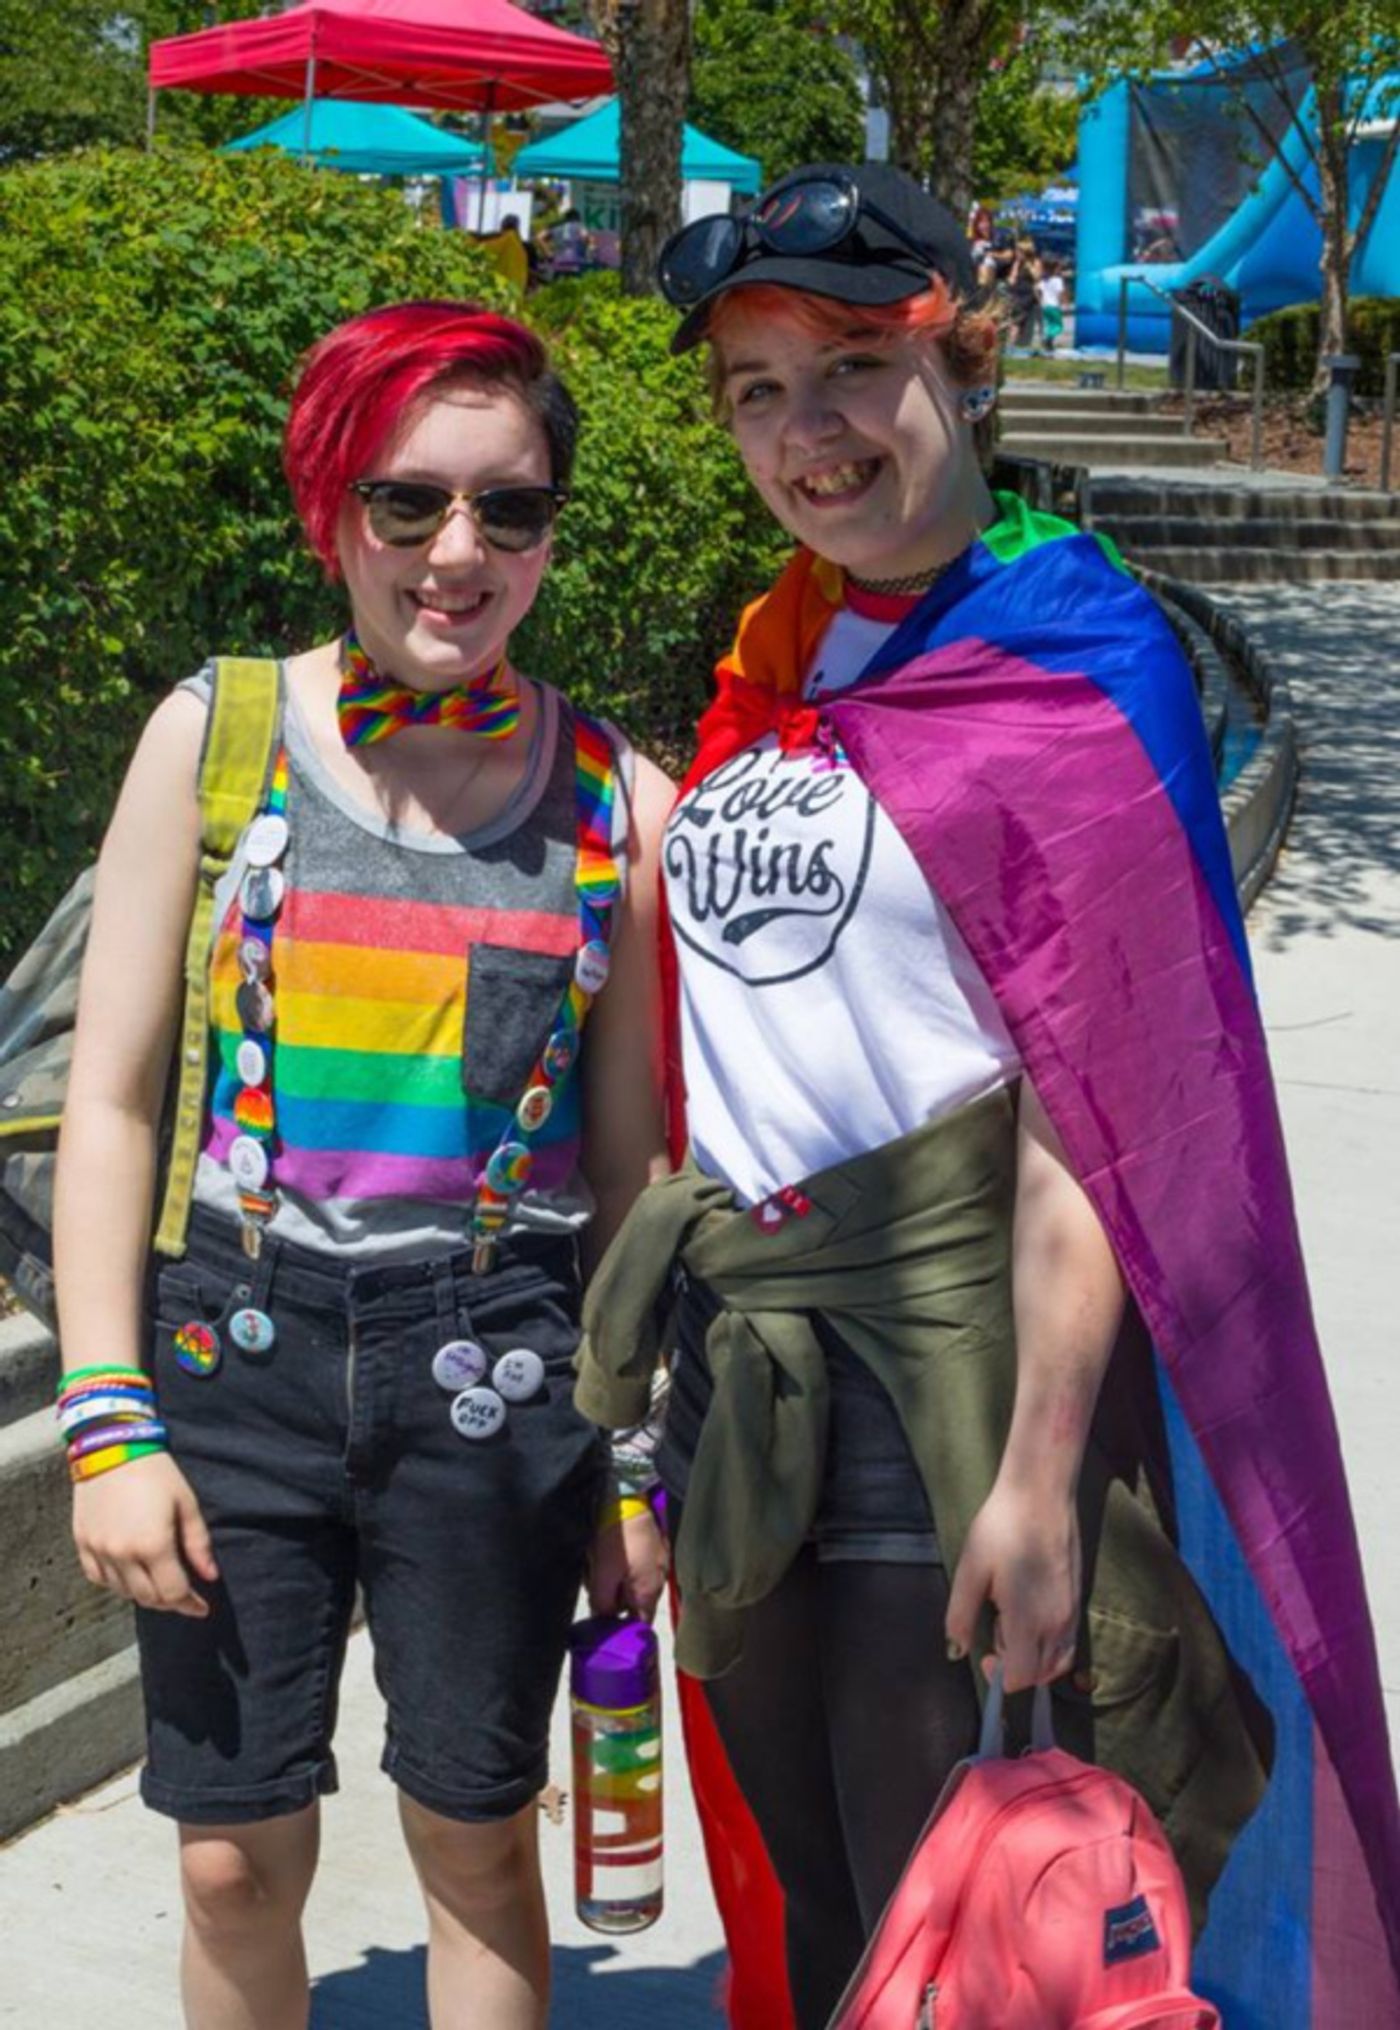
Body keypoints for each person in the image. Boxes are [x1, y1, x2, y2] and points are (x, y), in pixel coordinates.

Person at [575, 163, 1400, 2029]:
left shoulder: (1078, 653)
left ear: (967, 356)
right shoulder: (775, 657)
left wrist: (1037, 1468)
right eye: (758, 390)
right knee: (819, 1911)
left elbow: (1110, 1105)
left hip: (944, 1389)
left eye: (855, 363)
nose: (810, 431)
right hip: (743, 1379)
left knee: (965, 1940)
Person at [55, 299, 672, 2030]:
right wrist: (107, 1424)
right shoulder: (219, 735)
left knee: (475, 1835)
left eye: (509, 508)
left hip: (501, 1373)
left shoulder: (616, 802)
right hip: (230, 1361)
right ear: (333, 509)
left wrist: (633, 1460)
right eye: (408, 503)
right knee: (231, 1852)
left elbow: (628, 1177)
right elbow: (109, 1102)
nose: (456, 552)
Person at [1037, 255, 1066, 352]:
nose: (1060, 270)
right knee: (1059, 326)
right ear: (1055, 269)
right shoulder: (1058, 280)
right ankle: (1047, 339)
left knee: (1050, 324)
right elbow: (1060, 294)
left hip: (1045, 306)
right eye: (1059, 268)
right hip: (1054, 306)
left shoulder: (1043, 280)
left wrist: (1040, 301)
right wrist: (1062, 303)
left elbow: (1038, 291)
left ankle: (1049, 345)